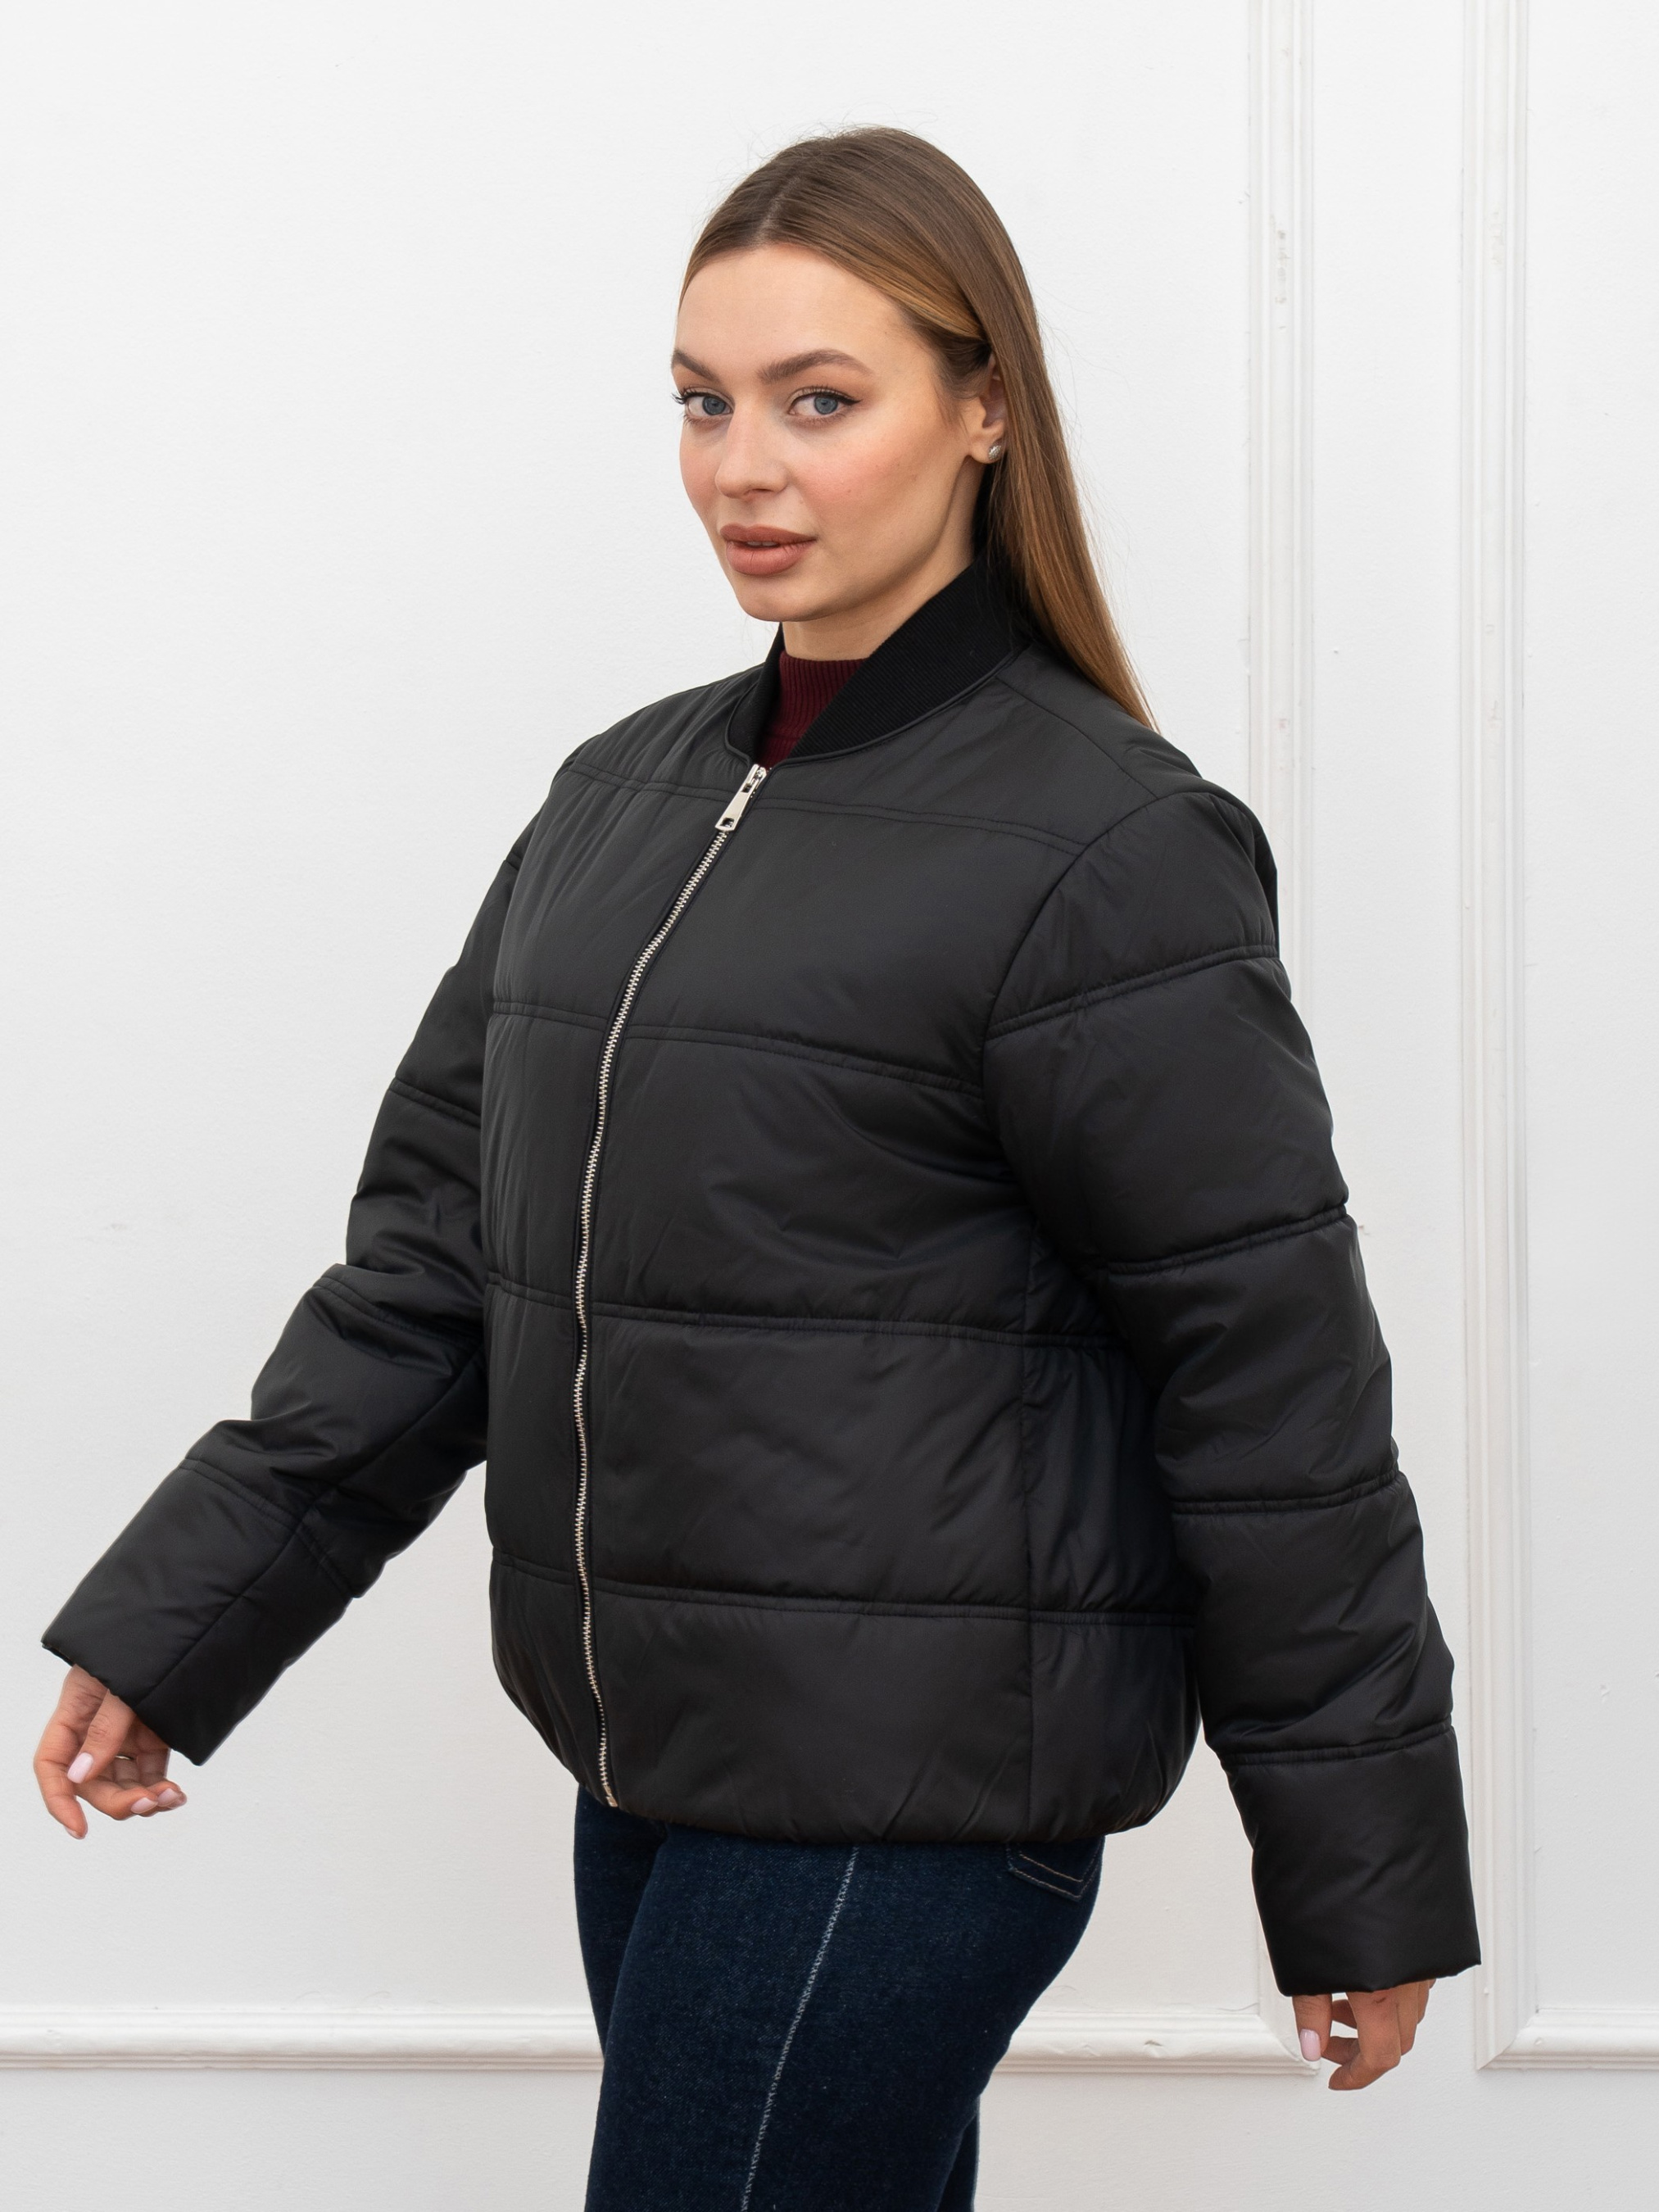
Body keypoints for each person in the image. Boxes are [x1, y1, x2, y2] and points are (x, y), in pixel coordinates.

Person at [34, 127, 1479, 2209]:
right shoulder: (616, 798)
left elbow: (1268, 1384)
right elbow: (436, 1273)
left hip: (905, 1802)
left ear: (982, 411)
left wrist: (1358, 1869)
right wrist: (185, 1623)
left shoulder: (1105, 847)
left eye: (819, 401)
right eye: (702, 403)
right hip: (654, 1768)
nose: (742, 468)